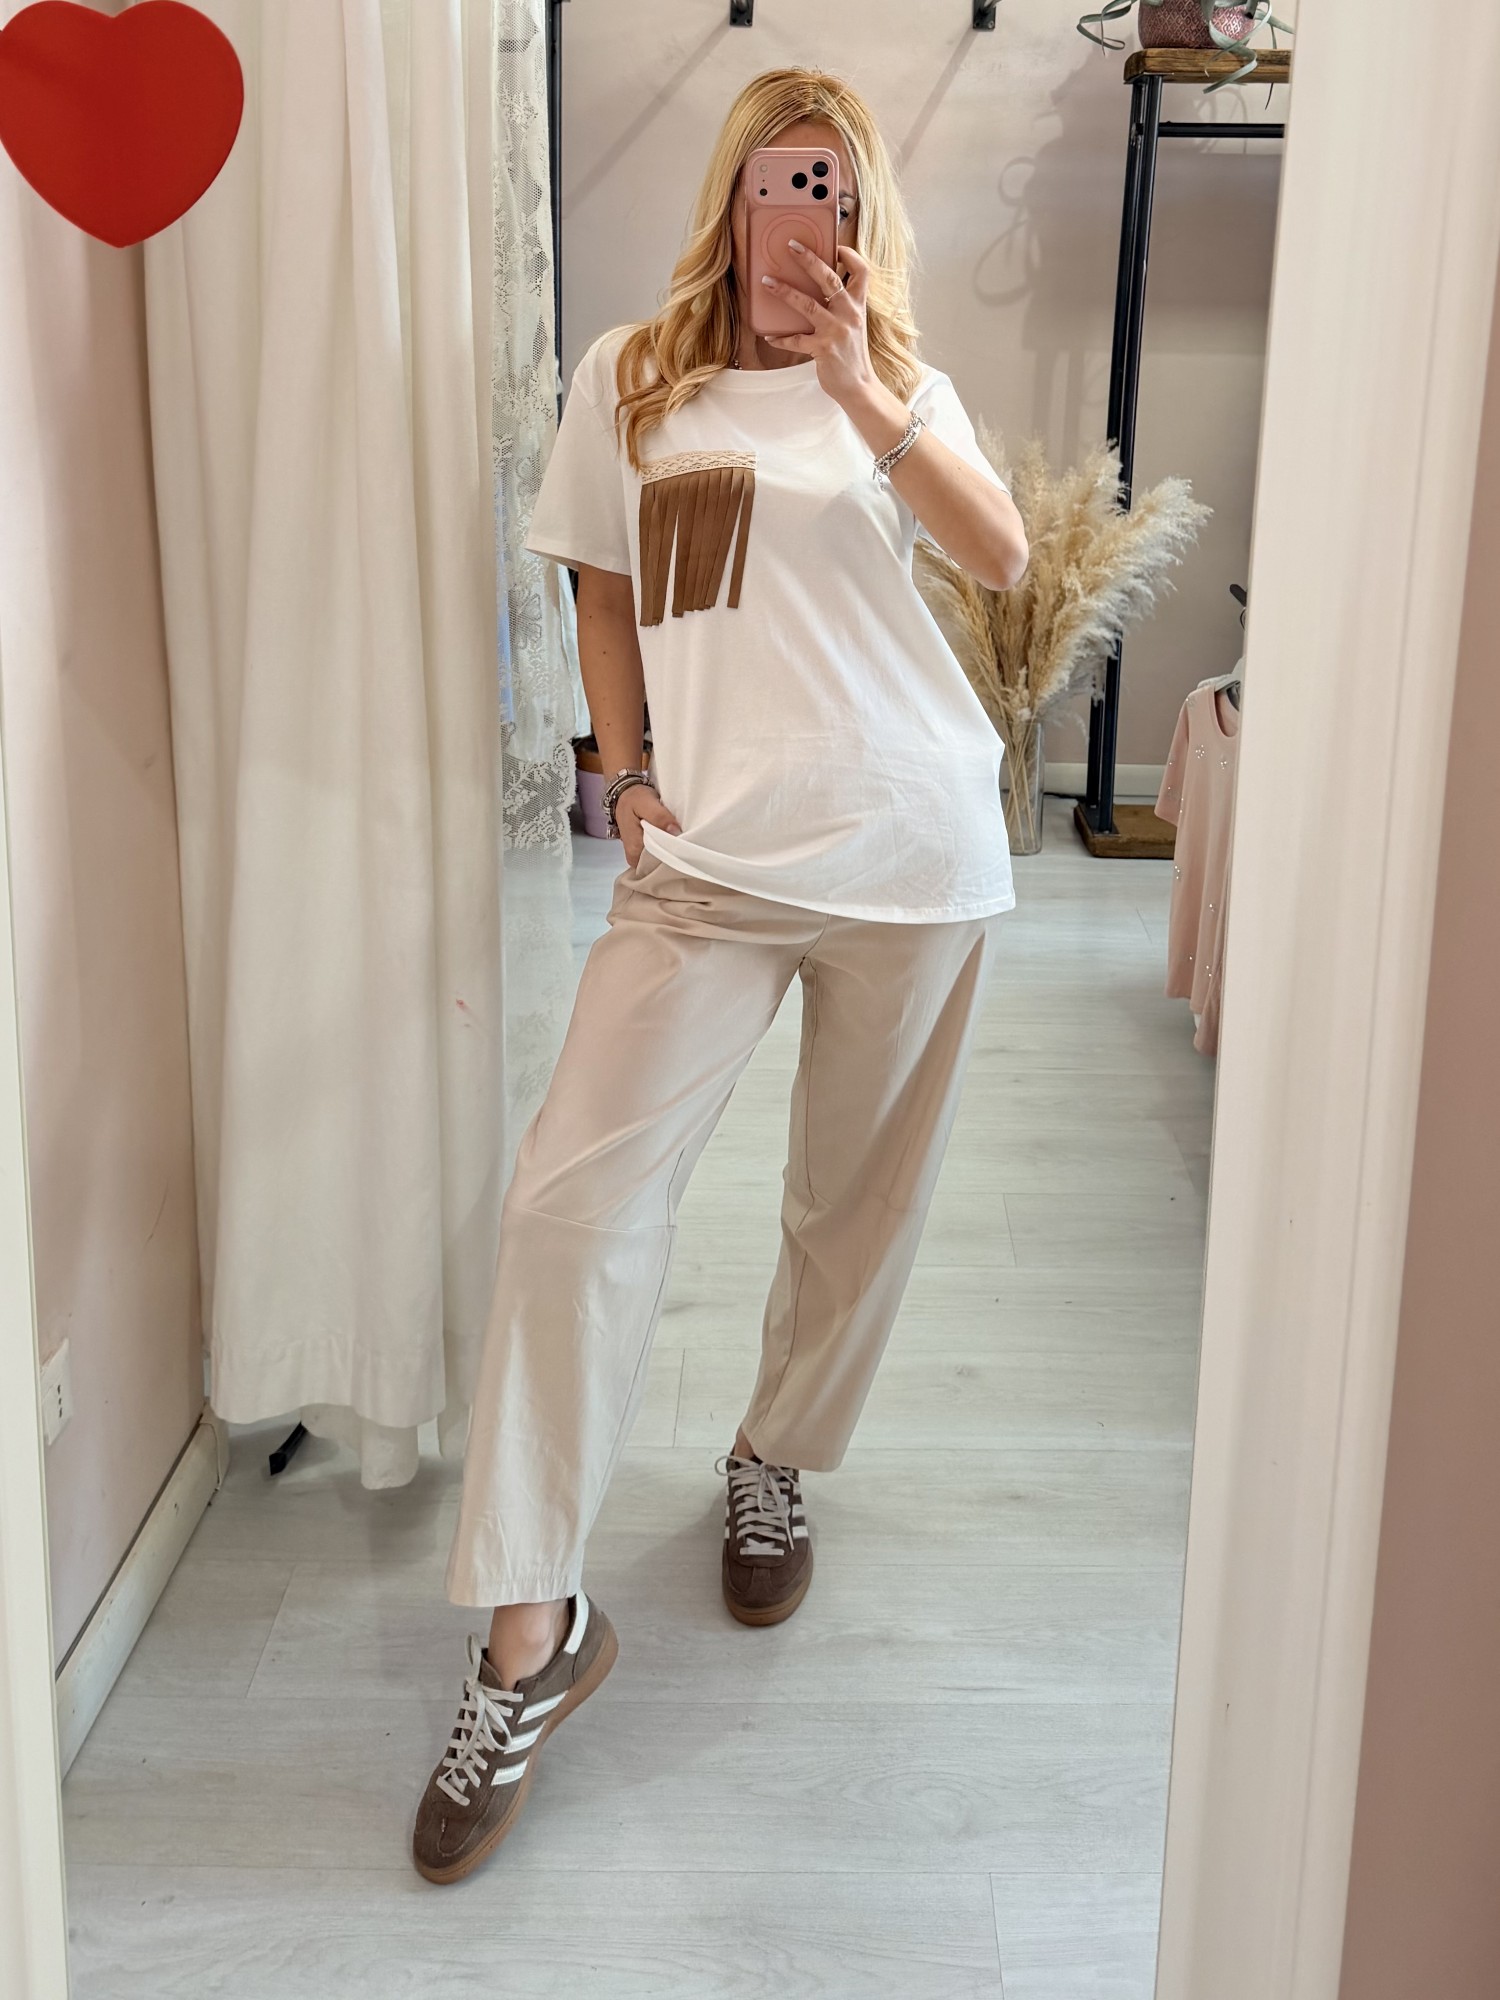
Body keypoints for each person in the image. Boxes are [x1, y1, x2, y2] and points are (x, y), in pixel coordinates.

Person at [412, 66, 1028, 1885]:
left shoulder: (899, 381)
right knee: (569, 1204)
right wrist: (623, 774)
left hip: (909, 854)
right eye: (774, 183)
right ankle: (530, 1632)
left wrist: (863, 394)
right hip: (705, 868)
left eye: (827, 189)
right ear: (733, 198)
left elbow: (1000, 559)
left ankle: (773, 1455)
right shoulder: (632, 377)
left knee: (853, 1204)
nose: (795, 221)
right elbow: (603, 588)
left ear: (860, 217)